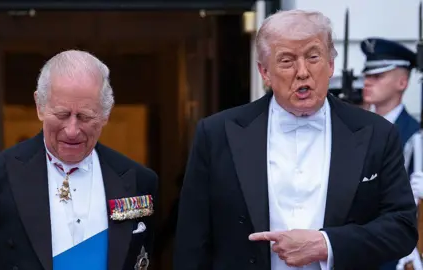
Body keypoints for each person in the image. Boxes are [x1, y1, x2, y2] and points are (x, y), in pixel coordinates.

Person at [174, 9, 418, 269]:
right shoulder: (216, 134)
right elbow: (192, 242)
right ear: (264, 72)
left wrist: (327, 244)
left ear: (331, 64)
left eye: (313, 57)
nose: (303, 72)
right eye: (287, 61)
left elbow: (401, 228)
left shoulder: (377, 134)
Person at [0, 50, 158, 270]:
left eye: (85, 116)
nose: (72, 130)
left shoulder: (139, 181)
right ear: (40, 106)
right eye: (62, 114)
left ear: (105, 113)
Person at [360, 38, 423, 270]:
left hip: (392, 256)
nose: (367, 82)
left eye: (377, 77)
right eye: (367, 76)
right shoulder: (357, 129)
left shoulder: (415, 136)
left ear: (402, 82)